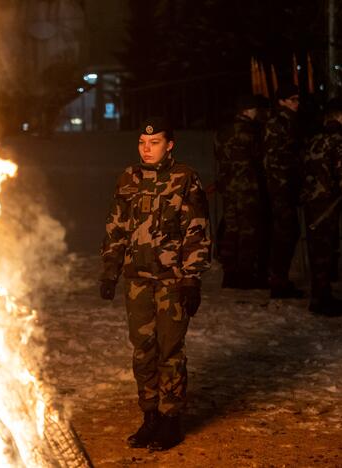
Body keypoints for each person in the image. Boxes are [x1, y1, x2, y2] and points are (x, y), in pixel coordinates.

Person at [99, 117, 211, 451]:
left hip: (172, 281)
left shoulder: (185, 179)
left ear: (170, 144)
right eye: (142, 143)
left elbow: (197, 230)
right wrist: (110, 269)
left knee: (170, 350)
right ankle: (150, 416)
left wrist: (192, 278)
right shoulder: (129, 178)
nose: (147, 149)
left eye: (155, 143)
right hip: (137, 280)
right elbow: (116, 227)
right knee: (142, 350)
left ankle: (170, 419)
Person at [215, 95, 269, 288]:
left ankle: (229, 274)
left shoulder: (224, 131)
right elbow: (260, 158)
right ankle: (245, 274)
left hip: (229, 187)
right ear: (247, 110)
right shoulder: (252, 131)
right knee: (248, 231)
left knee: (231, 228)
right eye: (254, 109)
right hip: (247, 187)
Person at [301, 98, 342, 316]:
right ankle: (321, 299)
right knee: (326, 250)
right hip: (328, 203)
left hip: (312, 201)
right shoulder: (338, 140)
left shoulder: (315, 138)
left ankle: (320, 294)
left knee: (317, 249)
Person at [263, 83, 304, 298]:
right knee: (284, 232)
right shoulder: (279, 123)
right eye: (293, 99)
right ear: (282, 101)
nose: (297, 104)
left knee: (287, 232)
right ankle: (277, 280)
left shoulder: (289, 121)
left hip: (286, 185)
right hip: (281, 186)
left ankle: (279, 277)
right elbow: (278, 157)